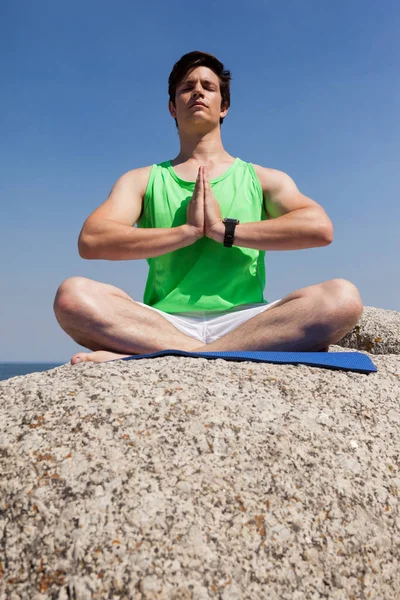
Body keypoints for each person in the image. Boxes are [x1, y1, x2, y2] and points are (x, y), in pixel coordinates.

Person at [53, 50, 363, 365]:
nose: (198, 91)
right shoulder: (142, 180)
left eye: (208, 86)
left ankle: (168, 354)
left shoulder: (261, 178)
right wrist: (186, 232)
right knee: (72, 296)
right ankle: (217, 352)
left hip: (246, 320)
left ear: (223, 106)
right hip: (162, 322)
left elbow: (319, 228)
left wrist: (223, 230)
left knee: (342, 298)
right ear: (173, 107)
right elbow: (91, 240)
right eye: (187, 87)